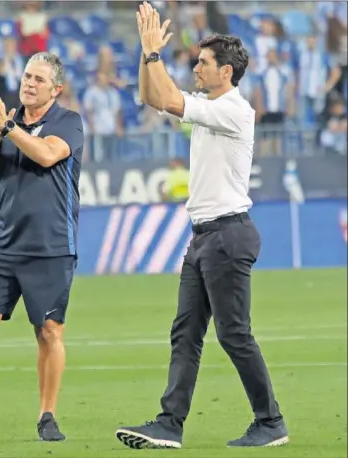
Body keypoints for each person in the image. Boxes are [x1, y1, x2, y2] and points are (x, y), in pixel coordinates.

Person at [115, 1, 289, 450]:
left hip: (228, 233)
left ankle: (270, 421)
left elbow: (168, 96)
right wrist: (144, 52)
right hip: (205, 237)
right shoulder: (208, 104)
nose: (196, 65)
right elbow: (154, 97)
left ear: (226, 72)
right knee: (186, 333)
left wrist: (155, 55)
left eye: (204, 62)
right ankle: (169, 424)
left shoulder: (234, 110)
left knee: (234, 334)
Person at [0, 52, 84, 441]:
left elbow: (48, 154)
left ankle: (47, 415)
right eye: (26, 75)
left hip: (50, 245)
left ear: (56, 89)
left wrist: (7, 126)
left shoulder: (68, 122)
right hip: (2, 243)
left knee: (49, 331)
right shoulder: (9, 124)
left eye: (38, 79)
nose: (29, 83)